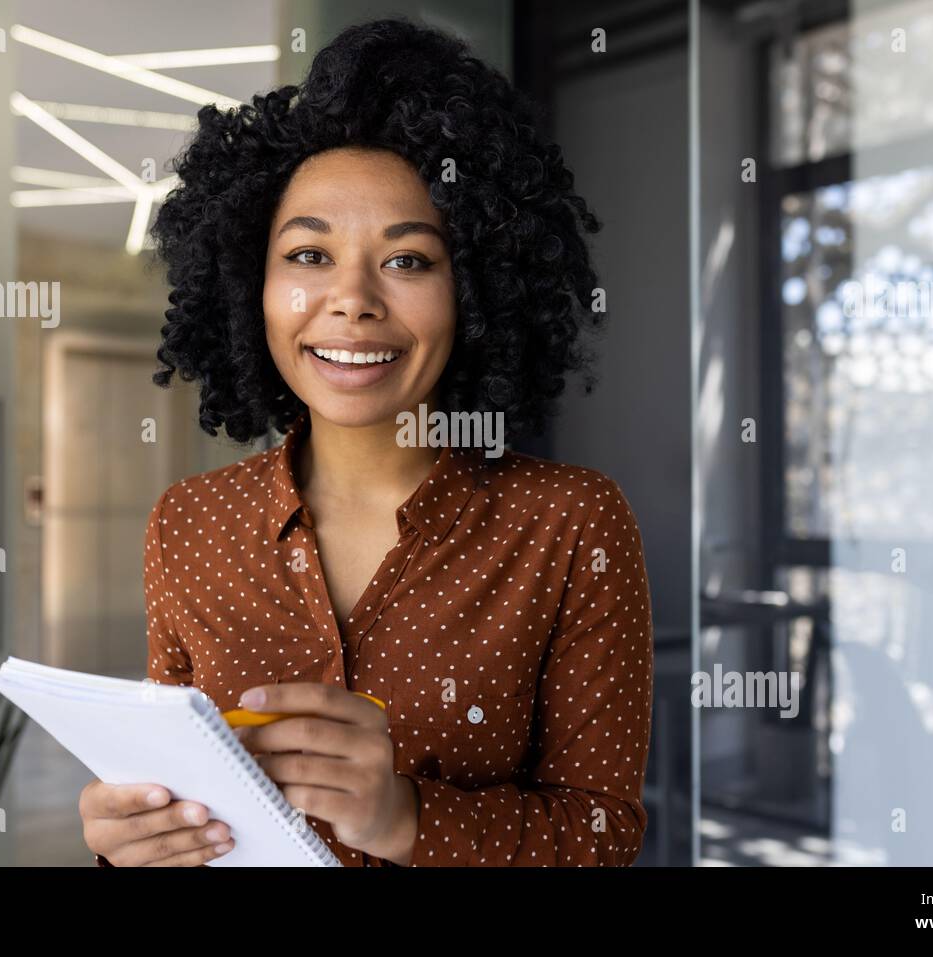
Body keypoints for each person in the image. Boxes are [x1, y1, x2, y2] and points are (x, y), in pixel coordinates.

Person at [78, 16, 653, 867]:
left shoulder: (570, 526)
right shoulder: (187, 525)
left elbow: (604, 835)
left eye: (409, 261)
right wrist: (137, 839)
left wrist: (405, 818)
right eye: (309, 254)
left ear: (478, 291)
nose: (351, 299)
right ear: (251, 284)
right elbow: (187, 798)